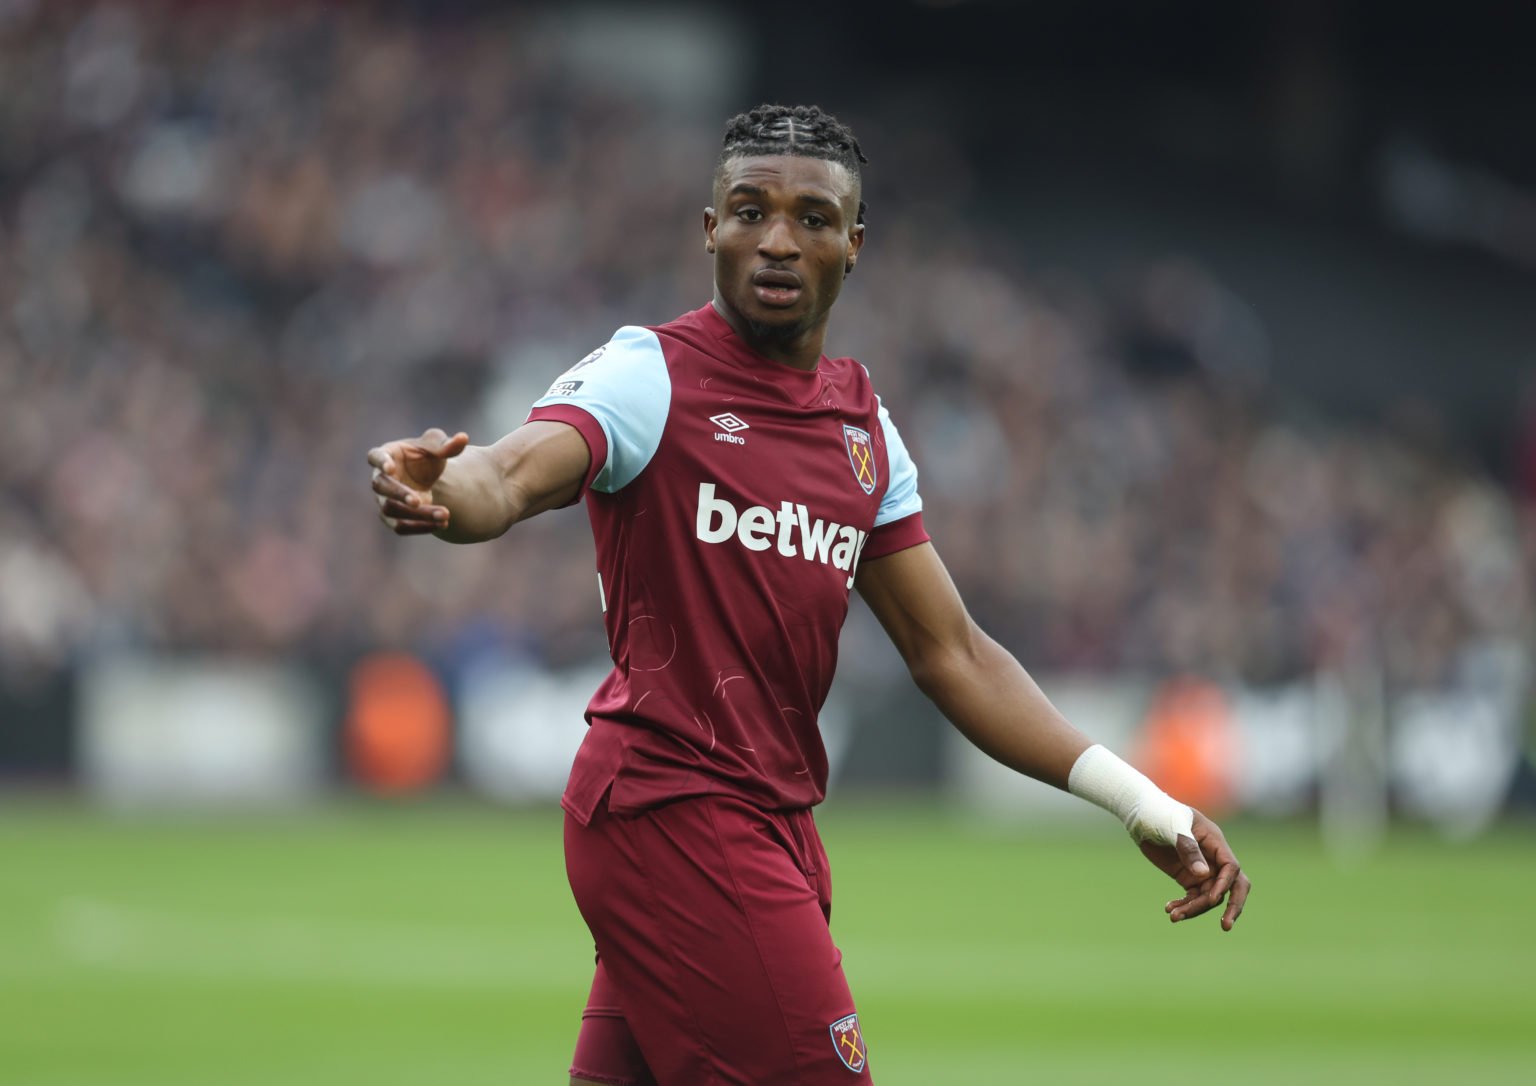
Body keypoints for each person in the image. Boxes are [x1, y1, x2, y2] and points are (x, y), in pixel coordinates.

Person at [368, 104, 1250, 1086]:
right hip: (675, 807)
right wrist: (445, 487)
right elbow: (512, 472)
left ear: (854, 244)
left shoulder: (862, 427)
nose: (778, 240)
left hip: (769, 820)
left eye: (813, 218)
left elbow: (951, 652)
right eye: (749, 211)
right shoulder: (650, 375)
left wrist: (1140, 802)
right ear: (711, 231)